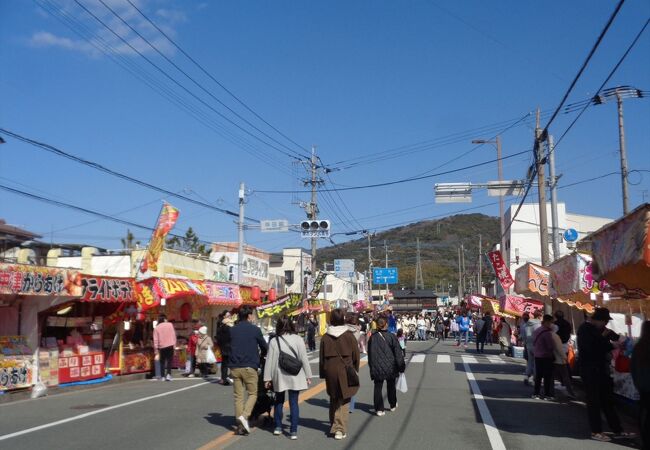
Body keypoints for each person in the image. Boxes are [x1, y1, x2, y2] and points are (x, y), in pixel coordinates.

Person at [577, 308, 634, 442]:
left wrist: (624, 341)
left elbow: (617, 338)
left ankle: (618, 430)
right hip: (590, 370)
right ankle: (596, 431)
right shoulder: (585, 329)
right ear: (597, 319)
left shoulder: (603, 330)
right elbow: (590, 348)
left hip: (602, 370)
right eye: (604, 321)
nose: (606, 324)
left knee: (608, 401)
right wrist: (610, 345)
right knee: (594, 401)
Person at [263, 315, 312, 440]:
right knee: (294, 402)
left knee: (279, 401)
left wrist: (267, 378)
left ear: (278, 326)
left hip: (280, 375)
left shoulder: (275, 341)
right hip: (295, 374)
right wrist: (308, 375)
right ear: (291, 325)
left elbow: (270, 361)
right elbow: (303, 358)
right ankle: (293, 431)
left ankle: (278, 427)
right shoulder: (298, 339)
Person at [319, 308, 360, 440]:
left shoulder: (326, 336)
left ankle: (334, 424)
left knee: (334, 397)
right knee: (344, 399)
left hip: (330, 369)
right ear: (343, 319)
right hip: (345, 368)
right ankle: (339, 429)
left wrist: (323, 373)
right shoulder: (349, 335)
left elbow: (321, 358)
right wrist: (355, 369)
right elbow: (356, 355)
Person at [229, 307, 268, 435]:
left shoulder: (232, 330)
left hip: (235, 366)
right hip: (250, 366)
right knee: (253, 394)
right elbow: (264, 346)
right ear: (249, 316)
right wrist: (262, 354)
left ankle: (240, 425)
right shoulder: (255, 330)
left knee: (238, 397)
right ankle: (244, 416)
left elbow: (227, 345)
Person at [368, 316, 405, 417]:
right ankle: (392, 404)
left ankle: (379, 409)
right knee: (391, 386)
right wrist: (401, 366)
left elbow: (370, 354)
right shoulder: (391, 336)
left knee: (377, 387)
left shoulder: (372, 337)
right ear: (386, 324)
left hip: (377, 366)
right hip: (390, 365)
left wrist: (371, 367)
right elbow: (398, 353)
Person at [631, 320, 650, 449]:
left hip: (642, 387)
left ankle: (645, 440)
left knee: (644, 413)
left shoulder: (639, 346)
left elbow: (633, 368)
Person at [532, 314, 556, 400]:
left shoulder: (537, 330)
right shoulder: (547, 333)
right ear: (547, 322)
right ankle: (547, 394)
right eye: (551, 322)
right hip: (546, 356)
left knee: (538, 375)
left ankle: (536, 393)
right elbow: (550, 346)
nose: (552, 324)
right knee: (547, 376)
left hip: (537, 355)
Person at [550, 323, 576, 399]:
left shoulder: (548, 334)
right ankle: (570, 393)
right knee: (565, 377)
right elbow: (559, 349)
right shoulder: (555, 336)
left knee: (551, 377)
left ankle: (550, 393)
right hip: (559, 359)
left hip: (551, 358)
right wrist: (564, 357)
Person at [153, 314, 177, 381]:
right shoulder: (170, 325)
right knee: (169, 361)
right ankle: (168, 375)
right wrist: (174, 346)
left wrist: (156, 350)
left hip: (161, 347)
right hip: (170, 345)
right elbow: (173, 336)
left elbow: (155, 340)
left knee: (162, 362)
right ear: (164, 319)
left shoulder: (156, 328)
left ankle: (163, 376)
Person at [522, 311, 542, 386]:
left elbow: (523, 336)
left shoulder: (526, 325)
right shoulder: (539, 325)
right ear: (539, 316)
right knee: (536, 363)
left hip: (528, 345)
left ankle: (526, 376)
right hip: (537, 345)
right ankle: (535, 379)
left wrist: (526, 342)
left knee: (530, 362)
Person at [216, 313, 233, 385]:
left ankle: (223, 378)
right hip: (231, 347)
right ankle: (231, 377)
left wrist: (220, 346)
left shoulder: (220, 328)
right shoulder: (231, 328)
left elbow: (218, 339)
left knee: (224, 364)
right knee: (232, 363)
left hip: (223, 348)